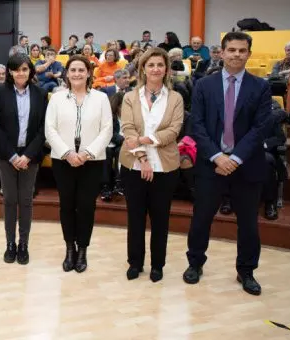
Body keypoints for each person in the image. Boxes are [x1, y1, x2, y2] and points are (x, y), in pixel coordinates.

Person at [184, 32, 272, 296]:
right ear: (221, 53)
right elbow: (196, 124)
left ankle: (246, 271)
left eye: (241, 50)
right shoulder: (203, 85)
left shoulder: (261, 87)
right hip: (211, 164)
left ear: (249, 54)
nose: (236, 55)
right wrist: (217, 157)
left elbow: (261, 127)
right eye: (231, 50)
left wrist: (234, 158)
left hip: (245, 165)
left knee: (247, 223)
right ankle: (195, 264)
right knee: (201, 218)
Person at [119, 48, 184, 282]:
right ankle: (135, 262)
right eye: (151, 65)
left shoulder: (175, 98)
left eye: (160, 64)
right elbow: (128, 129)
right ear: (143, 69)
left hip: (165, 168)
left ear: (166, 69)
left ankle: (158, 265)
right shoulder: (129, 97)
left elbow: (173, 131)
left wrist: (144, 140)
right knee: (135, 218)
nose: (155, 69)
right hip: (134, 166)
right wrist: (143, 158)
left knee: (160, 218)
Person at [45, 55, 112, 273]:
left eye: (81, 70)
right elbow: (50, 129)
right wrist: (67, 153)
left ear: (88, 73)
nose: (77, 74)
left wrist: (87, 153)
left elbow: (107, 130)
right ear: (66, 73)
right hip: (63, 161)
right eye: (72, 70)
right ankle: (69, 249)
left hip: (91, 161)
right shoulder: (56, 98)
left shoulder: (101, 99)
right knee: (66, 205)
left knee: (86, 206)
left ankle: (82, 249)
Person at [0, 53, 47, 264]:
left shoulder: (40, 93)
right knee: (9, 200)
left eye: (25, 69)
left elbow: (43, 129)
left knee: (25, 201)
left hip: (30, 156)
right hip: (7, 156)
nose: (20, 73)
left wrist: (27, 155)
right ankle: (10, 244)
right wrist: (13, 156)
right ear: (10, 72)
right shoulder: (0, 92)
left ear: (30, 71)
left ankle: (23, 244)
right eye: (16, 70)